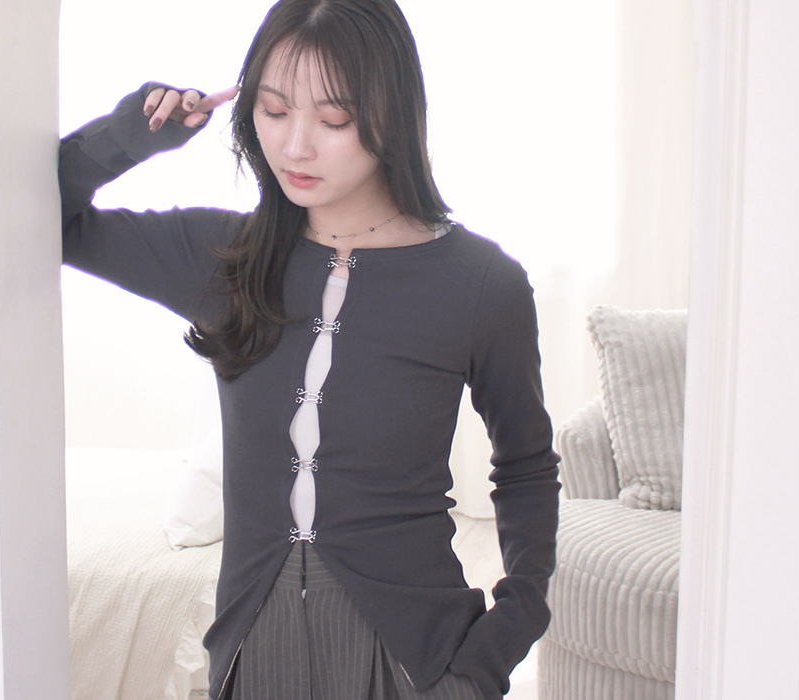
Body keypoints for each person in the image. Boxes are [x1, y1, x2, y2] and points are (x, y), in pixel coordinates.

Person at [57, 0, 561, 698]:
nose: (295, 146)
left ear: (393, 113)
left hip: (417, 661)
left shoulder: (480, 284)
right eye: (273, 110)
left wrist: (498, 644)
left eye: (333, 119)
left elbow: (527, 468)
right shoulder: (224, 257)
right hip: (252, 655)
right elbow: (46, 216)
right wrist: (133, 133)